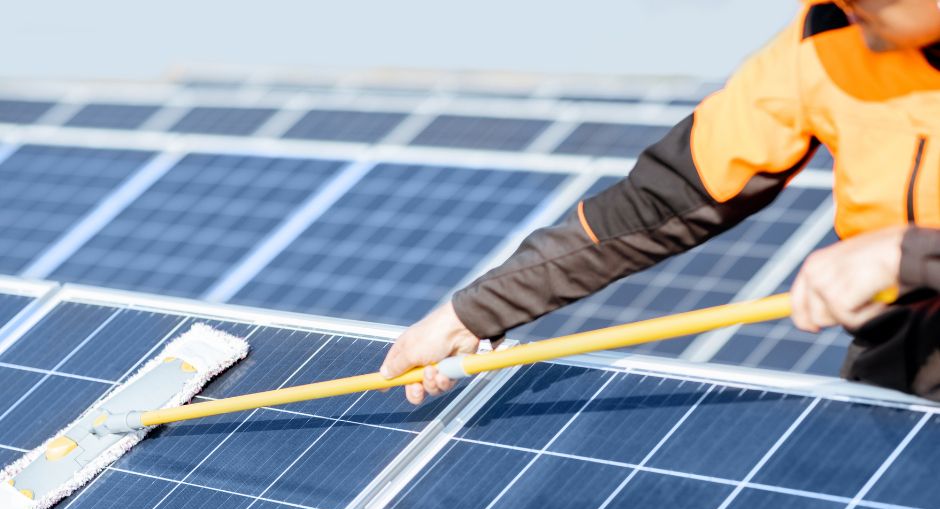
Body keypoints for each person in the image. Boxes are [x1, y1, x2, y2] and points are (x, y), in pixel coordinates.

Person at [380, 0, 940, 403]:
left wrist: (911, 255)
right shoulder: (826, 34)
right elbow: (661, 204)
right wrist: (472, 312)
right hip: (895, 367)